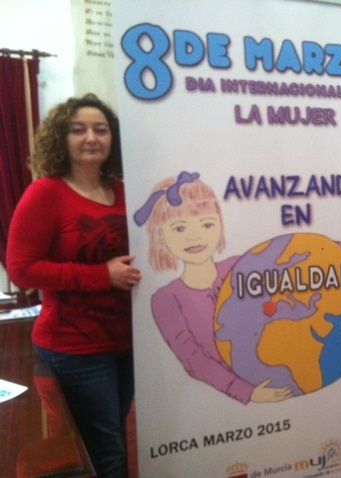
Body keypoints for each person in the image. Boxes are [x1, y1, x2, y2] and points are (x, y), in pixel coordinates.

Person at [7, 94, 141, 477]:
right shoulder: (45, 194)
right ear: (61, 138)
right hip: (74, 347)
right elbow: (22, 270)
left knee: (115, 437)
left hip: (127, 341)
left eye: (101, 129)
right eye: (78, 129)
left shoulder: (124, 190)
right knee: (106, 452)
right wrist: (102, 276)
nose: (91, 138)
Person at [133, 172, 293, 403]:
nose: (194, 237)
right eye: (179, 228)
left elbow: (293, 260)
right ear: (162, 236)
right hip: (215, 405)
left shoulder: (240, 266)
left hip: (281, 378)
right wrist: (247, 392)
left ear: (220, 226)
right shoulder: (166, 299)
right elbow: (194, 360)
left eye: (207, 224)